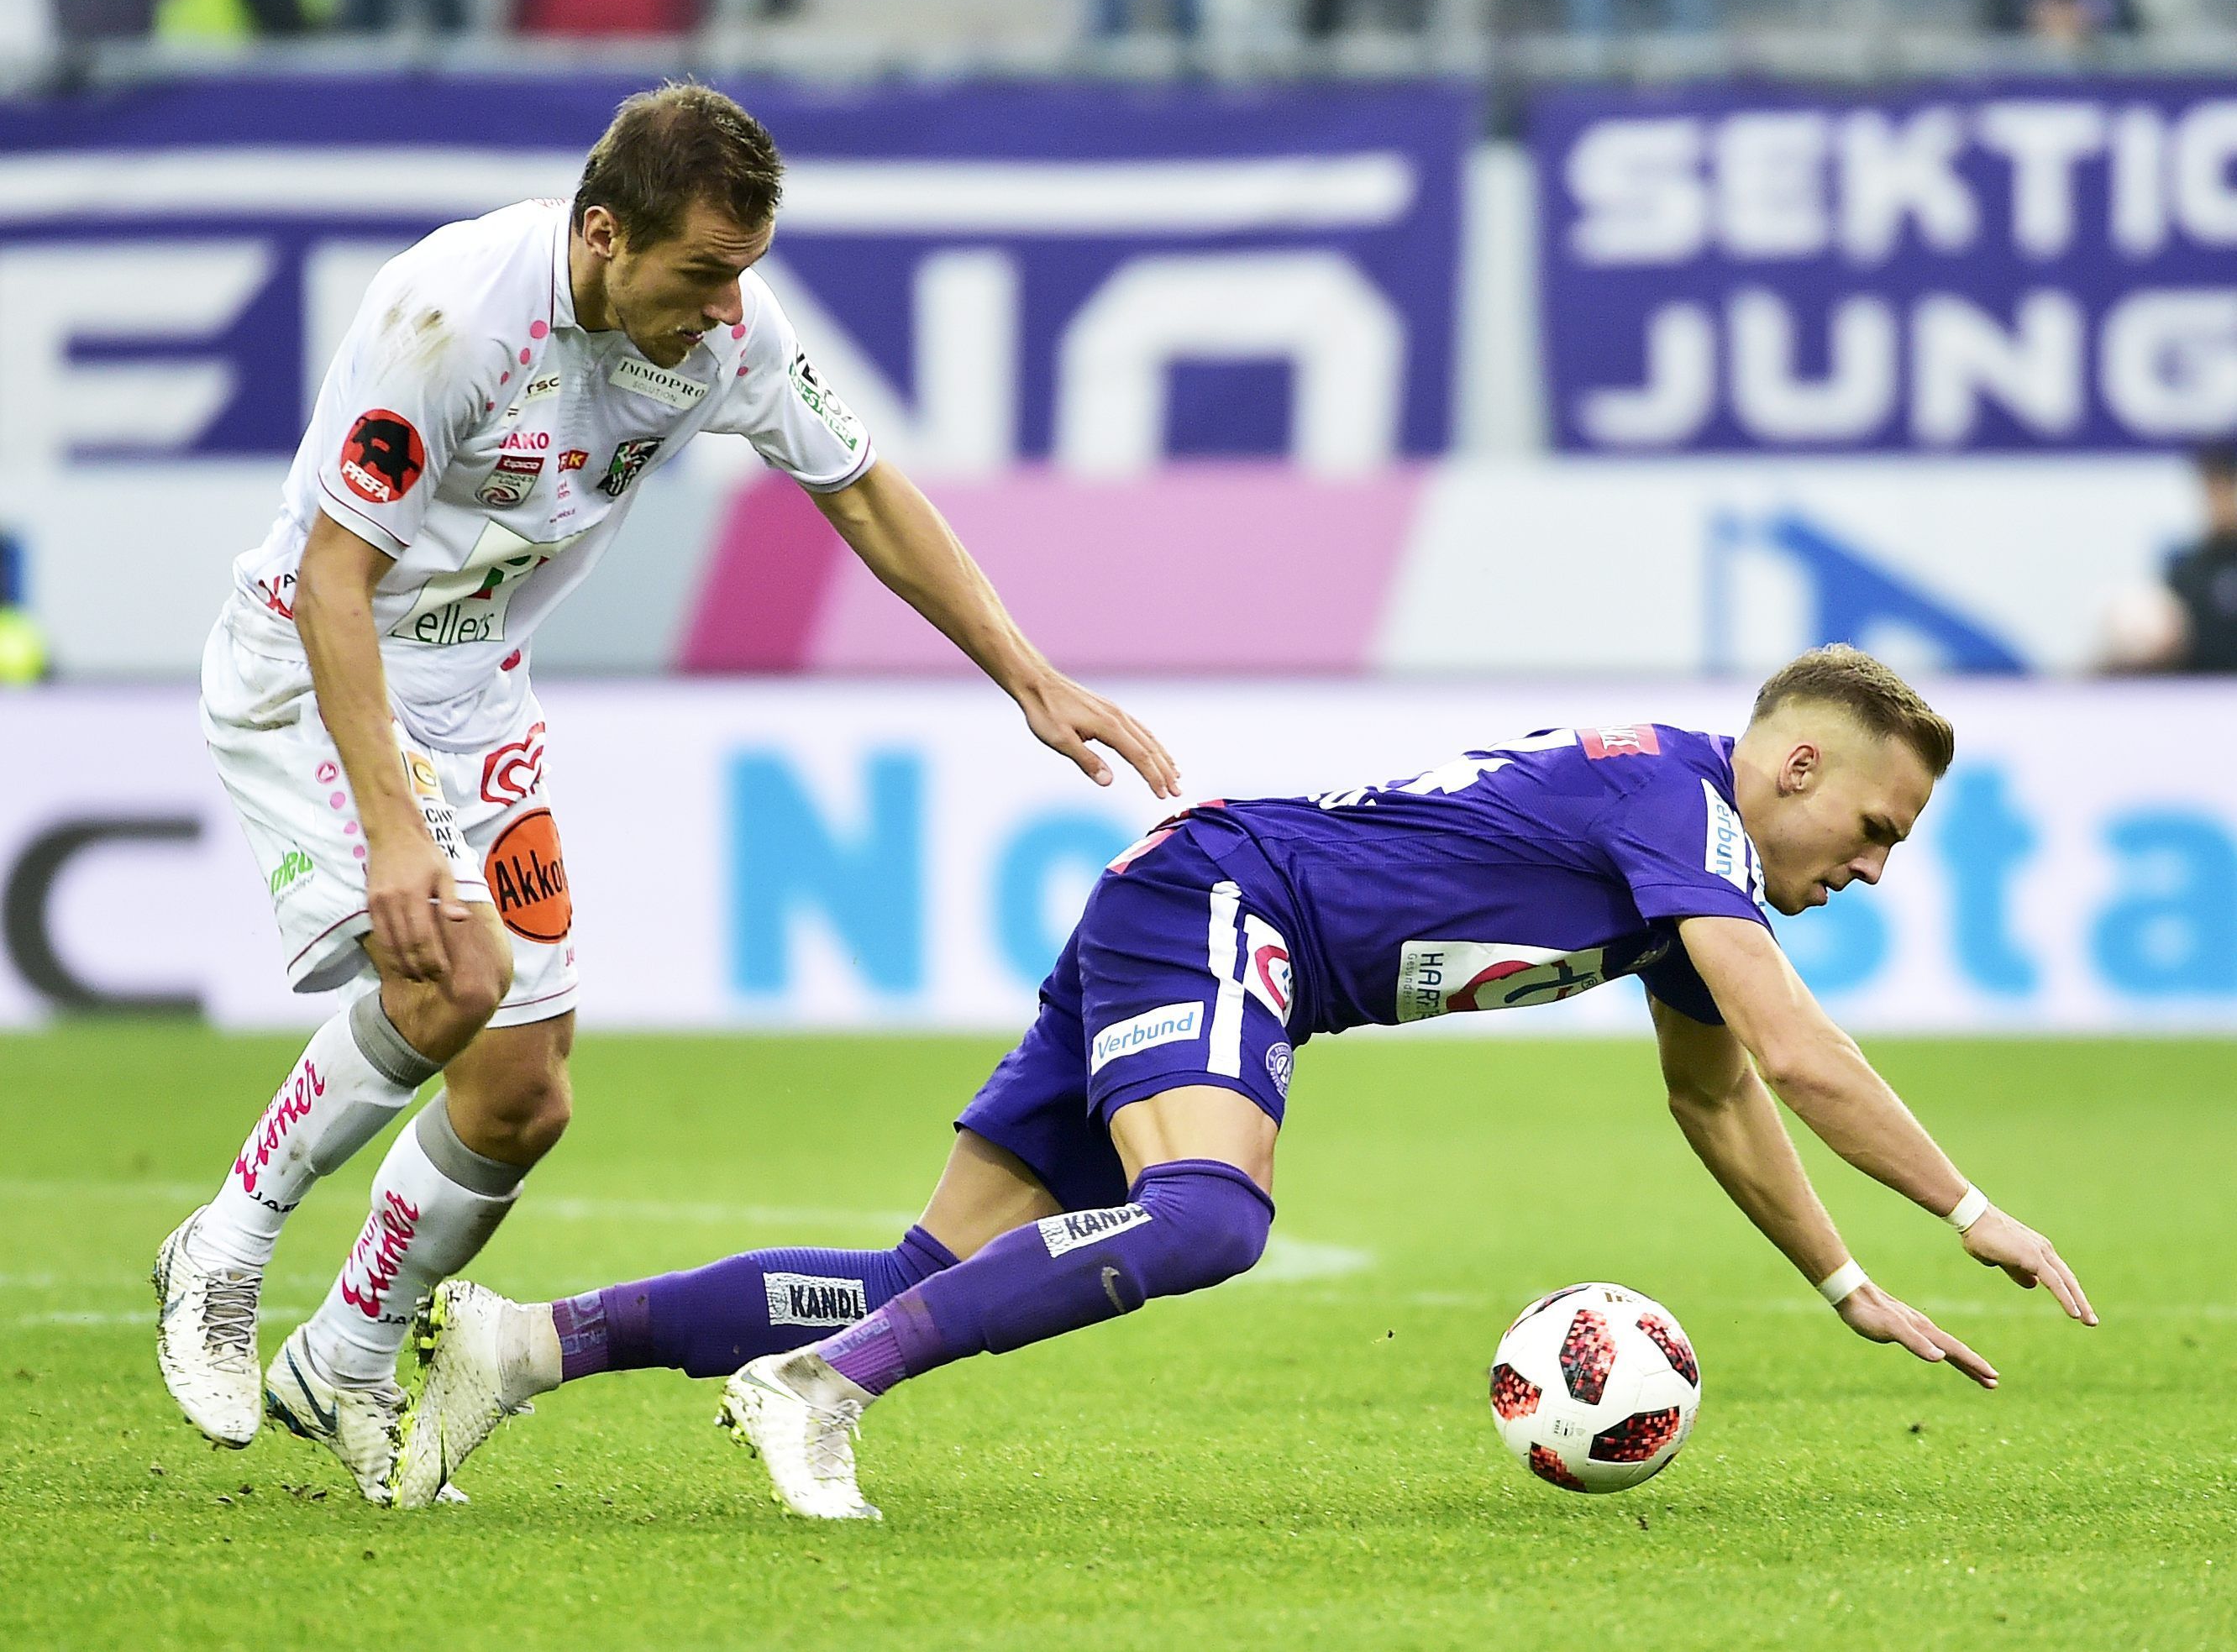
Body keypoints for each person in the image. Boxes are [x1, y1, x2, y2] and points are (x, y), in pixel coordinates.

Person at [395, 646, 2095, 1516]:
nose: (1871, 862)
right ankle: (824, 1385)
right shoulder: (1677, 797)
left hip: (1203, 908)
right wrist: (1964, 1202)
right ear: (1794, 761)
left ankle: (531, 1340)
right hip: (1229, 904)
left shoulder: (1682, 878)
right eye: (1870, 824)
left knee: (934, 1269)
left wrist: (1847, 1277)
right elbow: (1797, 1047)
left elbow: (1721, 1093)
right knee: (1206, 1215)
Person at [151, 81, 1180, 1504]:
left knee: (522, 1092)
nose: (724, 311)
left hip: (478, 695)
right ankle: (225, 1245)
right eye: (700, 276)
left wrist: (1026, 673)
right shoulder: (446, 314)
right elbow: (335, 573)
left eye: (740, 276)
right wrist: (394, 830)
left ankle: (343, 1356)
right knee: (454, 969)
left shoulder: (725, 330)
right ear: (600, 237)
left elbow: (867, 491)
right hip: (319, 663)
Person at [2102, 443, 2237, 674]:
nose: (2219, 496)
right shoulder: (2187, 570)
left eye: (2227, 483)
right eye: (2211, 485)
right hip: (2199, 698)